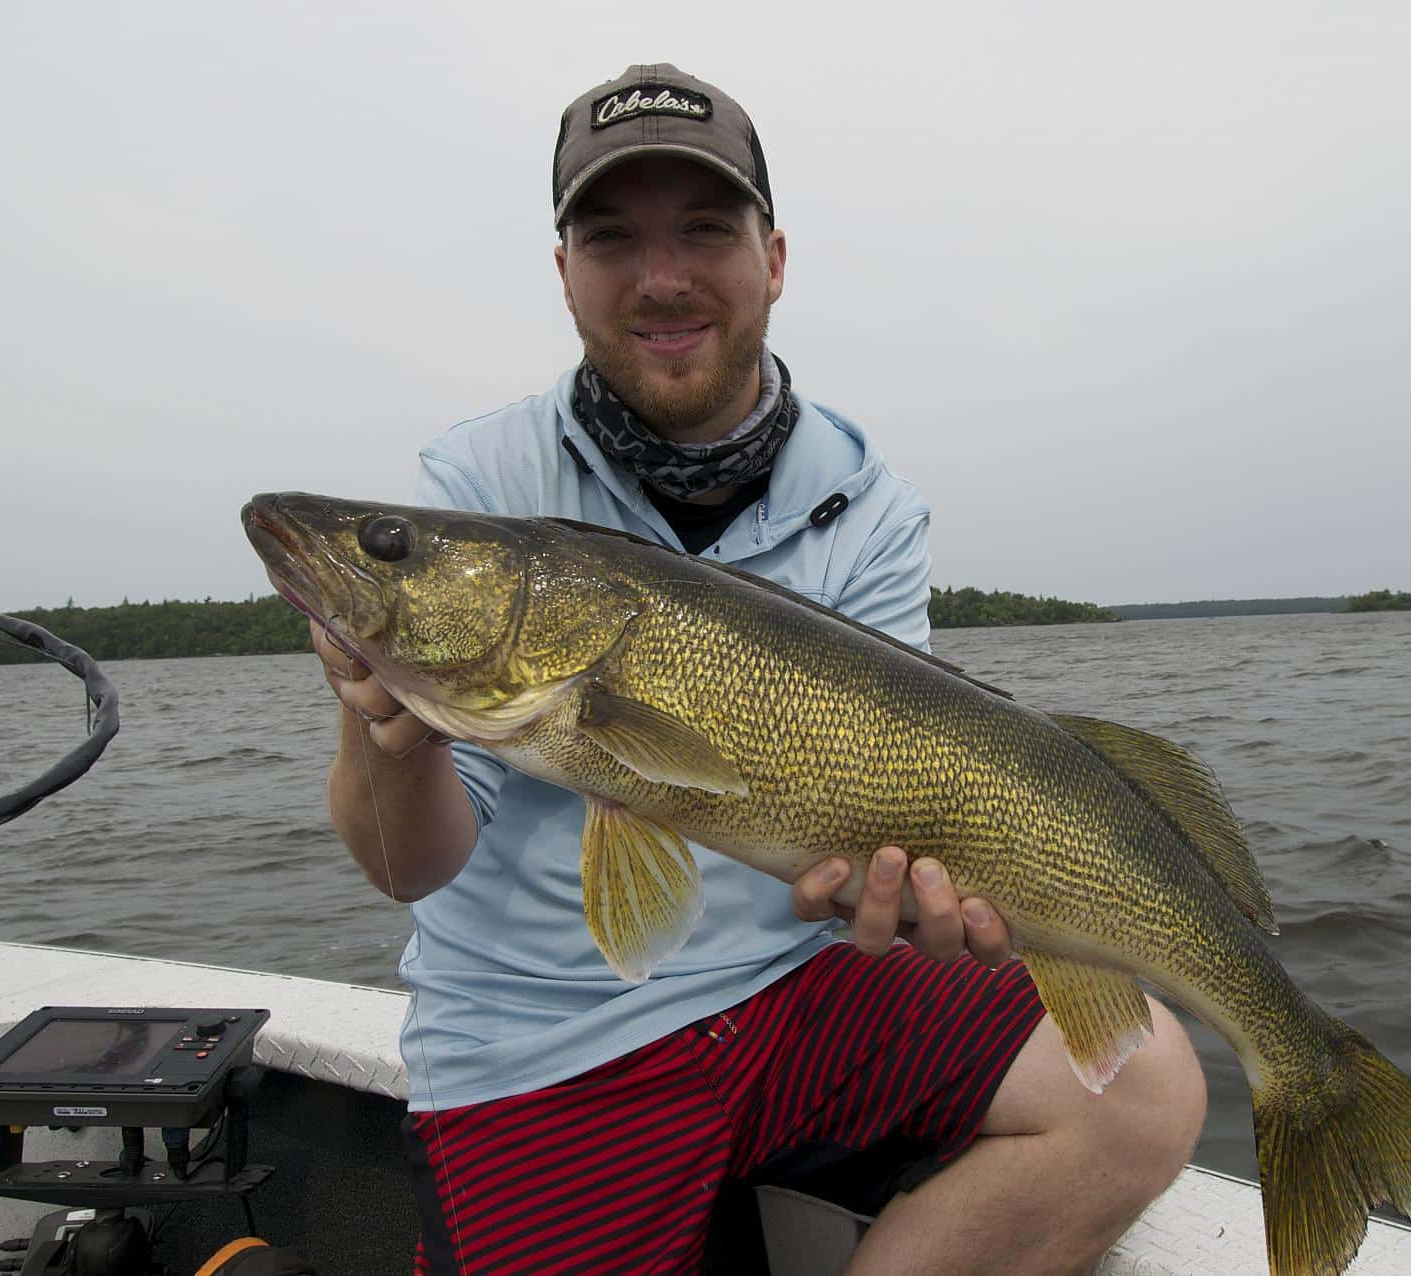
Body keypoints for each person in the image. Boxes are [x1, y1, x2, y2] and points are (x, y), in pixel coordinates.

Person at [311, 64, 1205, 1275]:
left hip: (801, 988)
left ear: (773, 258)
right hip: (548, 1045)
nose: (662, 276)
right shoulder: (482, 486)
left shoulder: (868, 502)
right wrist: (384, 730)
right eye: (612, 238)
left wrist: (905, 901)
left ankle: (1311, 1075)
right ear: (565, 271)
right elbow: (409, 863)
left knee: (1143, 1088)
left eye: (705, 231)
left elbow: (911, 802)